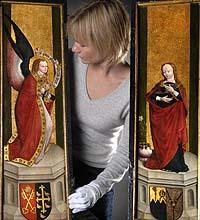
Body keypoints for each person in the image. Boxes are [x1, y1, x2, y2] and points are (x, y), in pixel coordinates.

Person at [67, 1, 130, 219]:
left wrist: (96, 189)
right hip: (62, 165)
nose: (74, 48)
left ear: (106, 43)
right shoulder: (70, 61)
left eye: (82, 44)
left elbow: (125, 153)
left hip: (100, 175)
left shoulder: (133, 89)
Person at [4, 58, 56, 167]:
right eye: (43, 66)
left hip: (38, 105)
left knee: (49, 126)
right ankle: (35, 154)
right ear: (37, 67)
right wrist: (41, 91)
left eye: (46, 66)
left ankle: (40, 153)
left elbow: (43, 95)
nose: (45, 68)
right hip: (29, 109)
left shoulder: (44, 79)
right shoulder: (31, 79)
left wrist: (47, 94)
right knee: (41, 127)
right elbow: (26, 96)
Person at [144, 63, 189, 173]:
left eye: (168, 71)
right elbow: (150, 96)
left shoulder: (179, 86)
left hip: (175, 118)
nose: (166, 74)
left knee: (174, 139)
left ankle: (176, 165)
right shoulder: (161, 84)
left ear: (173, 71)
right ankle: (165, 163)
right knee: (165, 138)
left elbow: (184, 102)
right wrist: (161, 99)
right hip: (163, 119)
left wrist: (173, 91)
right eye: (164, 72)